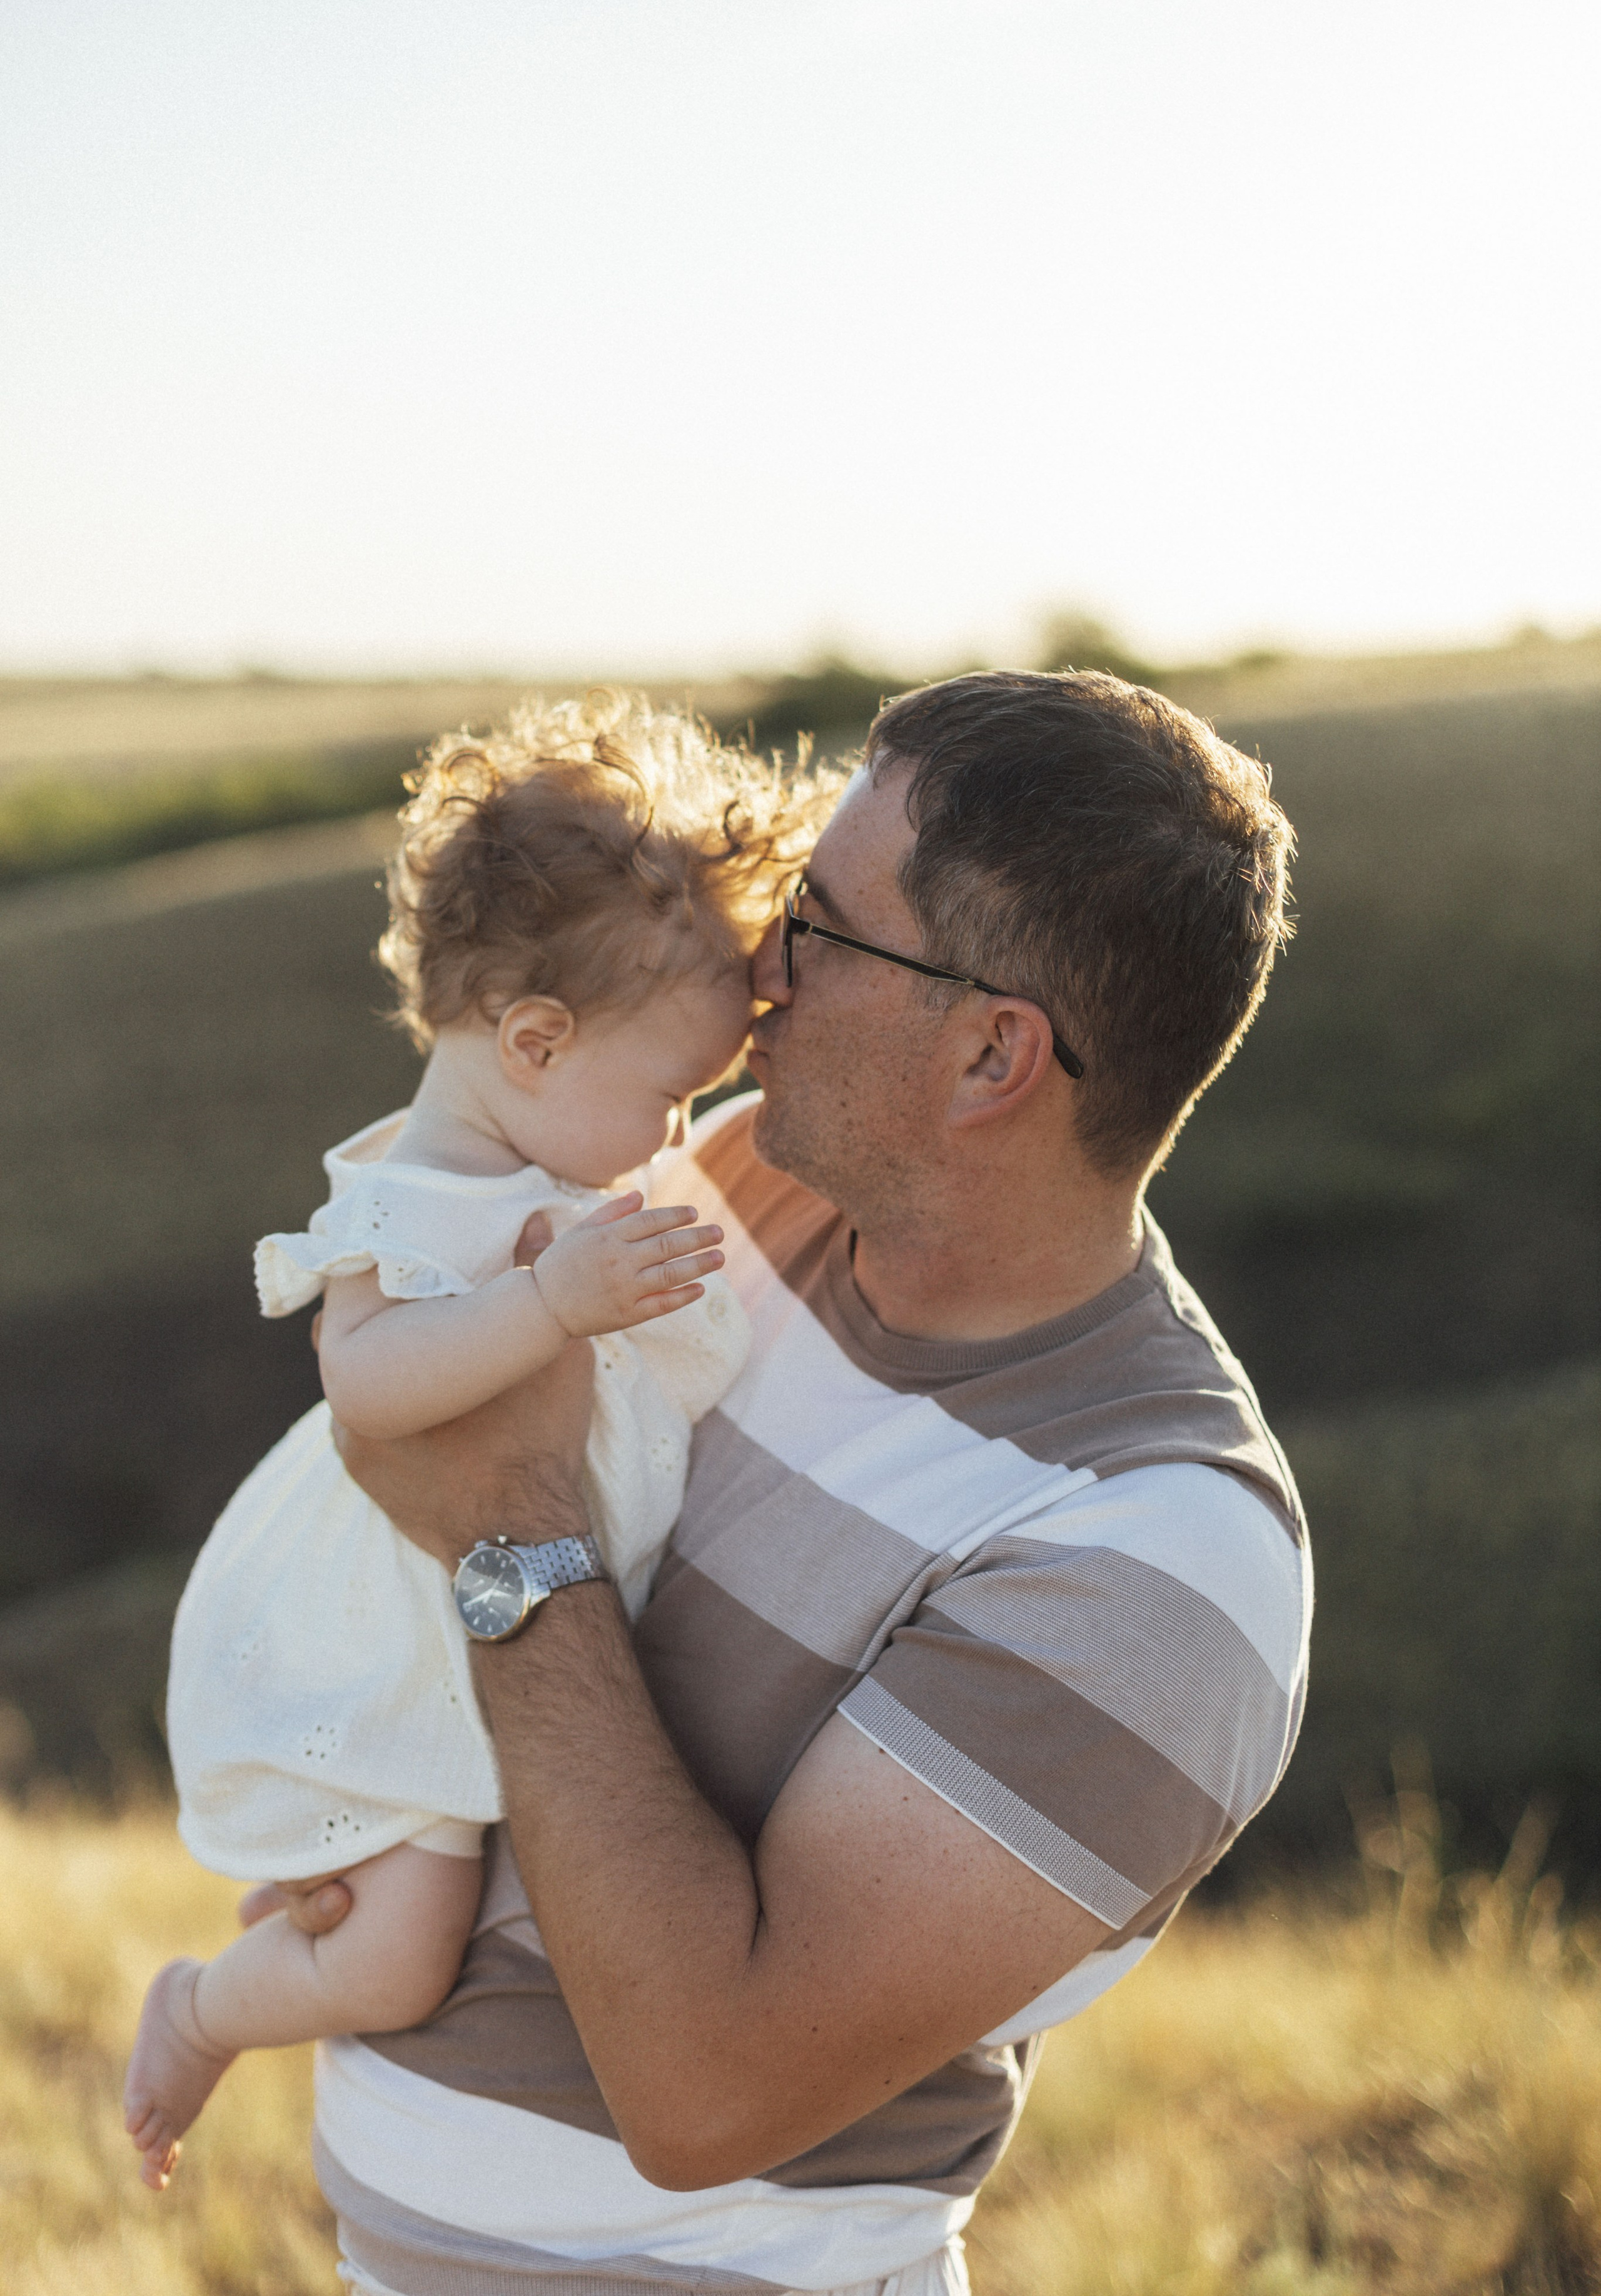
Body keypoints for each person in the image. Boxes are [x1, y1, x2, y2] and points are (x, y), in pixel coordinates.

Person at [249, 670, 1311, 2296]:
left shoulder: (1152, 1559)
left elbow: (706, 2090)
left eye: (819, 927)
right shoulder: (738, 1177)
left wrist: (511, 1543)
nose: (760, 967)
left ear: (990, 1058)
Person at [124, 693, 834, 2192]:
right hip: (391, 1628)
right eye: (668, 1094)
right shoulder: (407, 1201)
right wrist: (547, 1298)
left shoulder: (557, 1162)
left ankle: (303, 1908)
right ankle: (201, 2010)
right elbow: (370, 1387)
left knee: (426, 1892)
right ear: (531, 1039)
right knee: (393, 1963)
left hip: (487, 1617)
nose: (674, 1133)